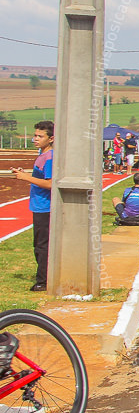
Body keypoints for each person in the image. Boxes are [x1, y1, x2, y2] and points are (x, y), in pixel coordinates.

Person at [11, 121, 54, 292]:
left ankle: (43, 281)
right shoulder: (41, 154)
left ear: (51, 139)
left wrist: (25, 178)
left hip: (45, 207)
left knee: (42, 245)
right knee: (39, 244)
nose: (35, 139)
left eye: (39, 136)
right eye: (35, 135)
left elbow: (50, 184)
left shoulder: (49, 157)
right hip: (38, 206)